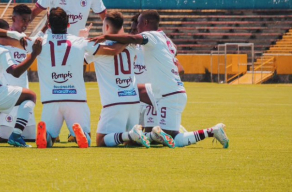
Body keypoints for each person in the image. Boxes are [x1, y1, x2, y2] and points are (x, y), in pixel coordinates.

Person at [90, 10, 230, 148]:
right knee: (168, 137)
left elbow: (133, 38)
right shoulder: (164, 37)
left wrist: (106, 36)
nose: (137, 28)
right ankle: (211, 131)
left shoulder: (150, 36)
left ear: (145, 22)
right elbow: (174, 51)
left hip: (167, 94)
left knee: (169, 138)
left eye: (138, 23)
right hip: (175, 91)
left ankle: (208, 131)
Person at [30, 8, 127, 149]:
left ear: (49, 25)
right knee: (86, 139)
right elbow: (113, 51)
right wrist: (128, 40)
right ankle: (80, 135)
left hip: (50, 100)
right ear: (68, 25)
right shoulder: (80, 42)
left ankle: (47, 136)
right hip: (76, 99)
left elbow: (15, 42)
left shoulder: (39, 42)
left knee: (50, 136)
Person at [85, 11, 175, 148]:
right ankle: (150, 135)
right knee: (131, 143)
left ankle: (132, 134)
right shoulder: (131, 45)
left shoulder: (97, 47)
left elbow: (81, 61)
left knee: (101, 141)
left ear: (107, 27)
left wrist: (82, 38)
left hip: (114, 102)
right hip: (133, 101)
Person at [0, 5, 38, 143]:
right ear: (14, 18)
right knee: (2, 138)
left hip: (24, 97)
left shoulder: (26, 40)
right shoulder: (3, 38)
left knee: (31, 137)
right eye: (23, 19)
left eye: (28, 20)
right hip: (8, 96)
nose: (26, 23)